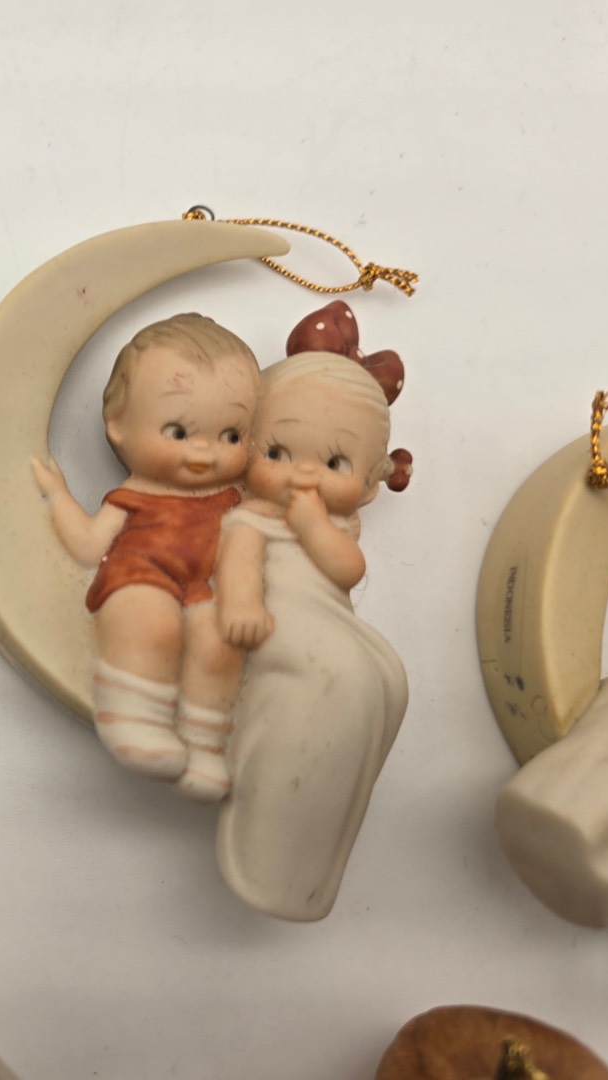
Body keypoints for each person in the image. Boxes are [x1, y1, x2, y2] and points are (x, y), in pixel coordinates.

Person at [212, 347, 410, 919]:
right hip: (273, 622)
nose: (302, 474)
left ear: (369, 487)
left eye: (334, 463)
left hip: (326, 619)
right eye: (277, 453)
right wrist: (242, 605)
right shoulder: (248, 518)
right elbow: (237, 566)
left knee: (389, 677)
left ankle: (312, 859)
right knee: (342, 673)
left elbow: (347, 571)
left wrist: (311, 525)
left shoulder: (332, 527)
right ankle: (266, 853)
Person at [33, 314, 259, 800]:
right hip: (137, 575)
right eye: (178, 432)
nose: (204, 452)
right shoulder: (131, 497)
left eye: (231, 436)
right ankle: (133, 718)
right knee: (154, 624)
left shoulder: (234, 500)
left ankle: (204, 742)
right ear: (118, 427)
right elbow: (89, 545)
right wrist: (58, 497)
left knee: (218, 643)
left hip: (200, 588)